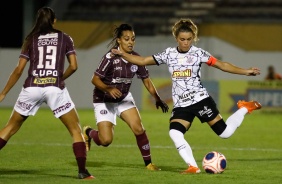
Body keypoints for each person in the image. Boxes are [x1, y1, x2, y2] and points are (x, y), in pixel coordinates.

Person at [111, 18, 262, 174]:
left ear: (193, 38)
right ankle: (193, 166)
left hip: (200, 100)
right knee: (174, 132)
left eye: (189, 39)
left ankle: (244, 108)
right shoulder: (169, 54)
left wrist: (246, 71)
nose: (186, 43)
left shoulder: (198, 53)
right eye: (182, 39)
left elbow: (221, 65)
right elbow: (142, 60)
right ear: (177, 39)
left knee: (225, 133)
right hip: (182, 105)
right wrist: (122, 54)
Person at [0, 7, 94, 180]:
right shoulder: (65, 38)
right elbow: (74, 66)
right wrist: (60, 78)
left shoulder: (31, 39)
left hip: (32, 87)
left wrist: (4, 92)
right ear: (54, 20)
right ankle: (82, 172)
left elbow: (19, 69)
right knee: (75, 130)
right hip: (54, 88)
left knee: (10, 128)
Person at [83, 23, 169, 171]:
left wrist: (157, 98)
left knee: (139, 129)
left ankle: (149, 163)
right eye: (127, 39)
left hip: (123, 98)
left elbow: (147, 81)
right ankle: (88, 132)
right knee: (106, 140)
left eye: (133, 39)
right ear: (119, 40)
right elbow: (95, 80)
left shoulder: (136, 58)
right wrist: (108, 88)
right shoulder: (110, 57)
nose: (130, 42)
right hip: (104, 99)